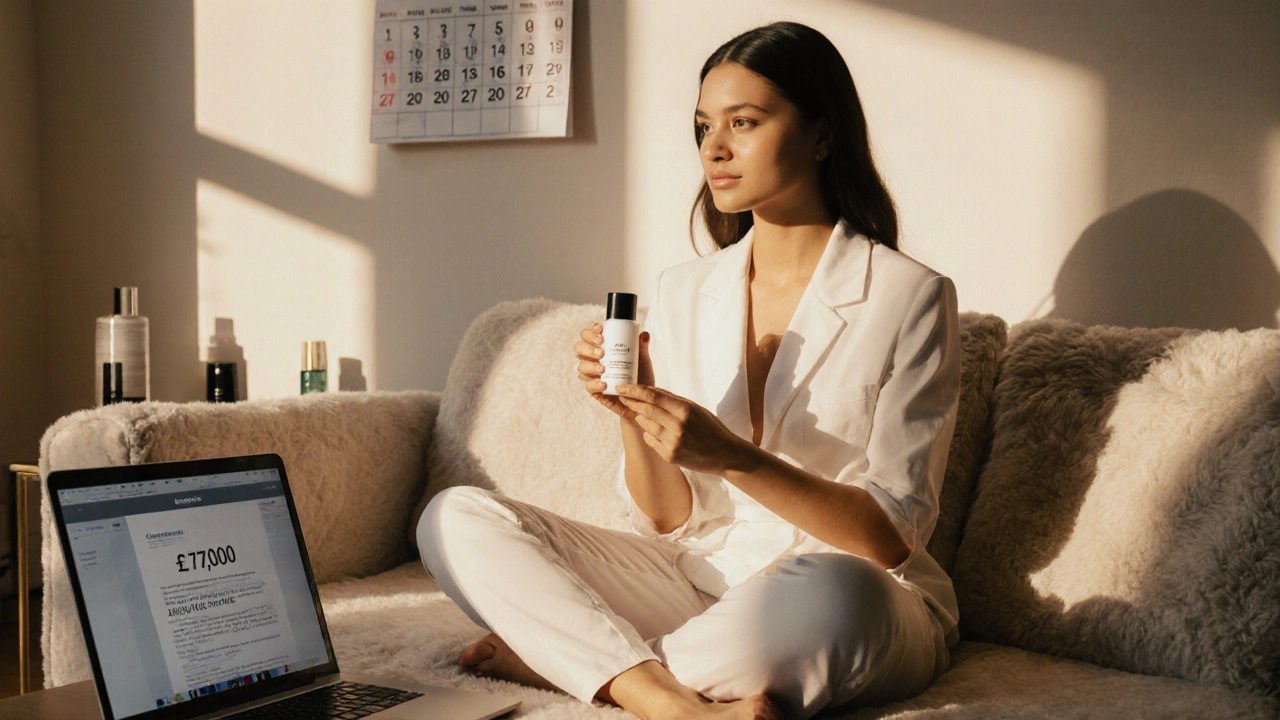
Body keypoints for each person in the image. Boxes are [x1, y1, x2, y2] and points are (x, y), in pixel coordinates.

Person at [419, 21, 960, 720]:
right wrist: (631, 412)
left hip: (849, 588)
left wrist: (734, 457)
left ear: (822, 134)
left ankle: (577, 662)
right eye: (705, 125)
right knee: (454, 519)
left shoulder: (909, 295)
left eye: (745, 122)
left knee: (836, 598)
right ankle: (671, 702)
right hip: (699, 576)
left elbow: (888, 536)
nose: (715, 147)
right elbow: (670, 519)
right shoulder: (683, 289)